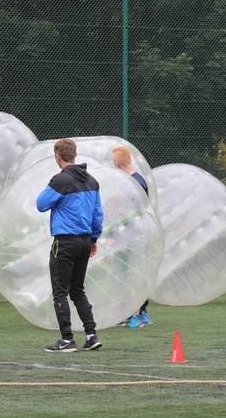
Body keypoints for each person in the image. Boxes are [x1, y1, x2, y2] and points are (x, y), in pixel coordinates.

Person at [37, 138, 104, 352]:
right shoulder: (92, 181)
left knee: (60, 291)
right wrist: (94, 240)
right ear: (75, 155)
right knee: (77, 290)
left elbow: (41, 204)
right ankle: (91, 335)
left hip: (65, 242)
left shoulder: (60, 180)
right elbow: (97, 214)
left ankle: (67, 339)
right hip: (85, 241)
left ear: (58, 157)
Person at [112, 146, 153, 328]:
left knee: (133, 275)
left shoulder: (132, 183)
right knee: (126, 275)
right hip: (130, 236)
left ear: (116, 163)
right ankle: (132, 313)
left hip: (133, 237)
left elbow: (131, 212)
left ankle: (135, 316)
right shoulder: (138, 180)